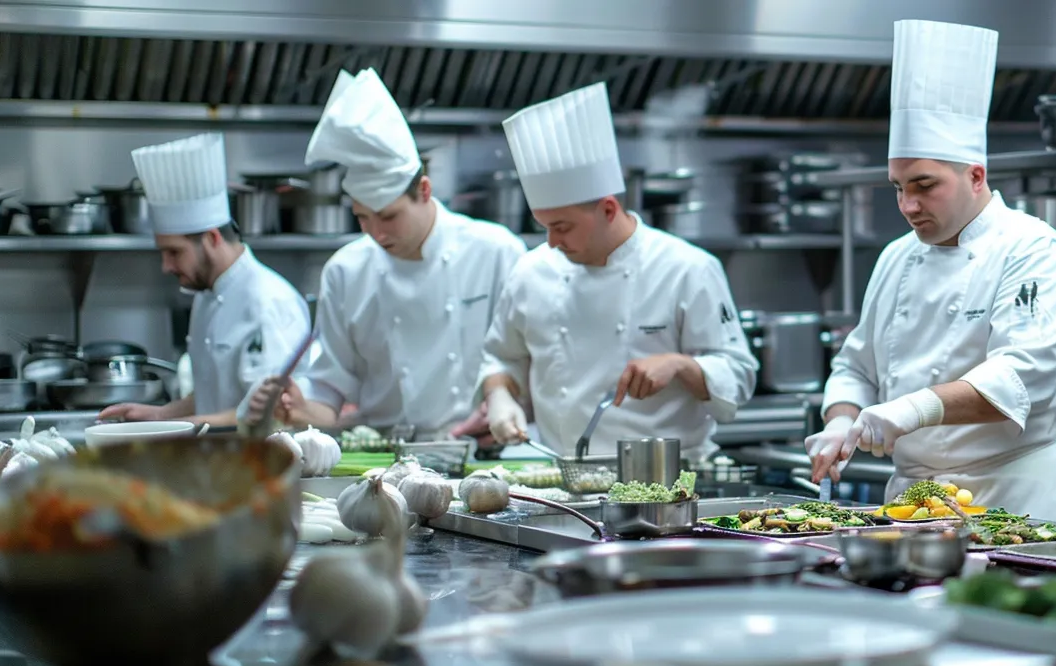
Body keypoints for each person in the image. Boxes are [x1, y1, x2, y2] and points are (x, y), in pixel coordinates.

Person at [804, 19, 1056, 524]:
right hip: (911, 501)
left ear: (975, 175)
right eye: (896, 186)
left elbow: (1022, 377)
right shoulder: (897, 256)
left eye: (924, 185)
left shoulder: (1035, 250)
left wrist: (909, 410)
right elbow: (855, 367)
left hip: (1013, 495)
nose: (907, 205)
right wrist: (840, 419)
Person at [474, 82, 757, 463]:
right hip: (563, 479)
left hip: (668, 482)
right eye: (545, 226)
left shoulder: (686, 268)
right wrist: (500, 396)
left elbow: (739, 375)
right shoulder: (531, 271)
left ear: (608, 209)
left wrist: (680, 364)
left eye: (563, 226)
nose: (552, 242)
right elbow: (501, 357)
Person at [242, 69, 526, 438]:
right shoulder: (345, 271)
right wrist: (299, 407)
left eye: (389, 216)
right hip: (387, 457)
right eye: (362, 217)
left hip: (483, 452)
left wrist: (502, 404)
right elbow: (330, 388)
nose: (376, 233)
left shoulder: (496, 252)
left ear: (424, 191)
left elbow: (520, 361)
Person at [101, 132, 310, 426]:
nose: (166, 266)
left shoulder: (269, 302)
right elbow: (216, 397)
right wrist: (158, 415)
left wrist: (174, 428)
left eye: (174, 252)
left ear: (212, 238)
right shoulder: (204, 295)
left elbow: (269, 415)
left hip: (261, 465)